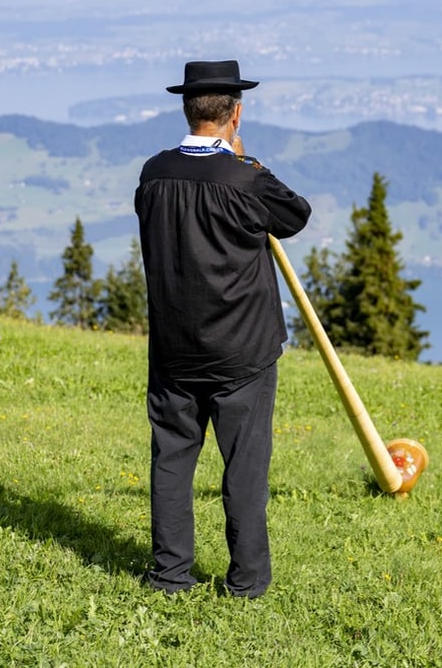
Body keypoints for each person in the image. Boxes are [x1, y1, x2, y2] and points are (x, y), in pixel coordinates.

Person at [135, 60, 312, 598]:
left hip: (173, 349)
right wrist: (249, 161)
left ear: (187, 109)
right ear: (235, 113)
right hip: (242, 352)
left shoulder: (153, 173)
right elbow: (296, 214)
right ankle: (247, 582)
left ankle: (170, 576)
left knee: (171, 462)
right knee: (244, 470)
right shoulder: (245, 178)